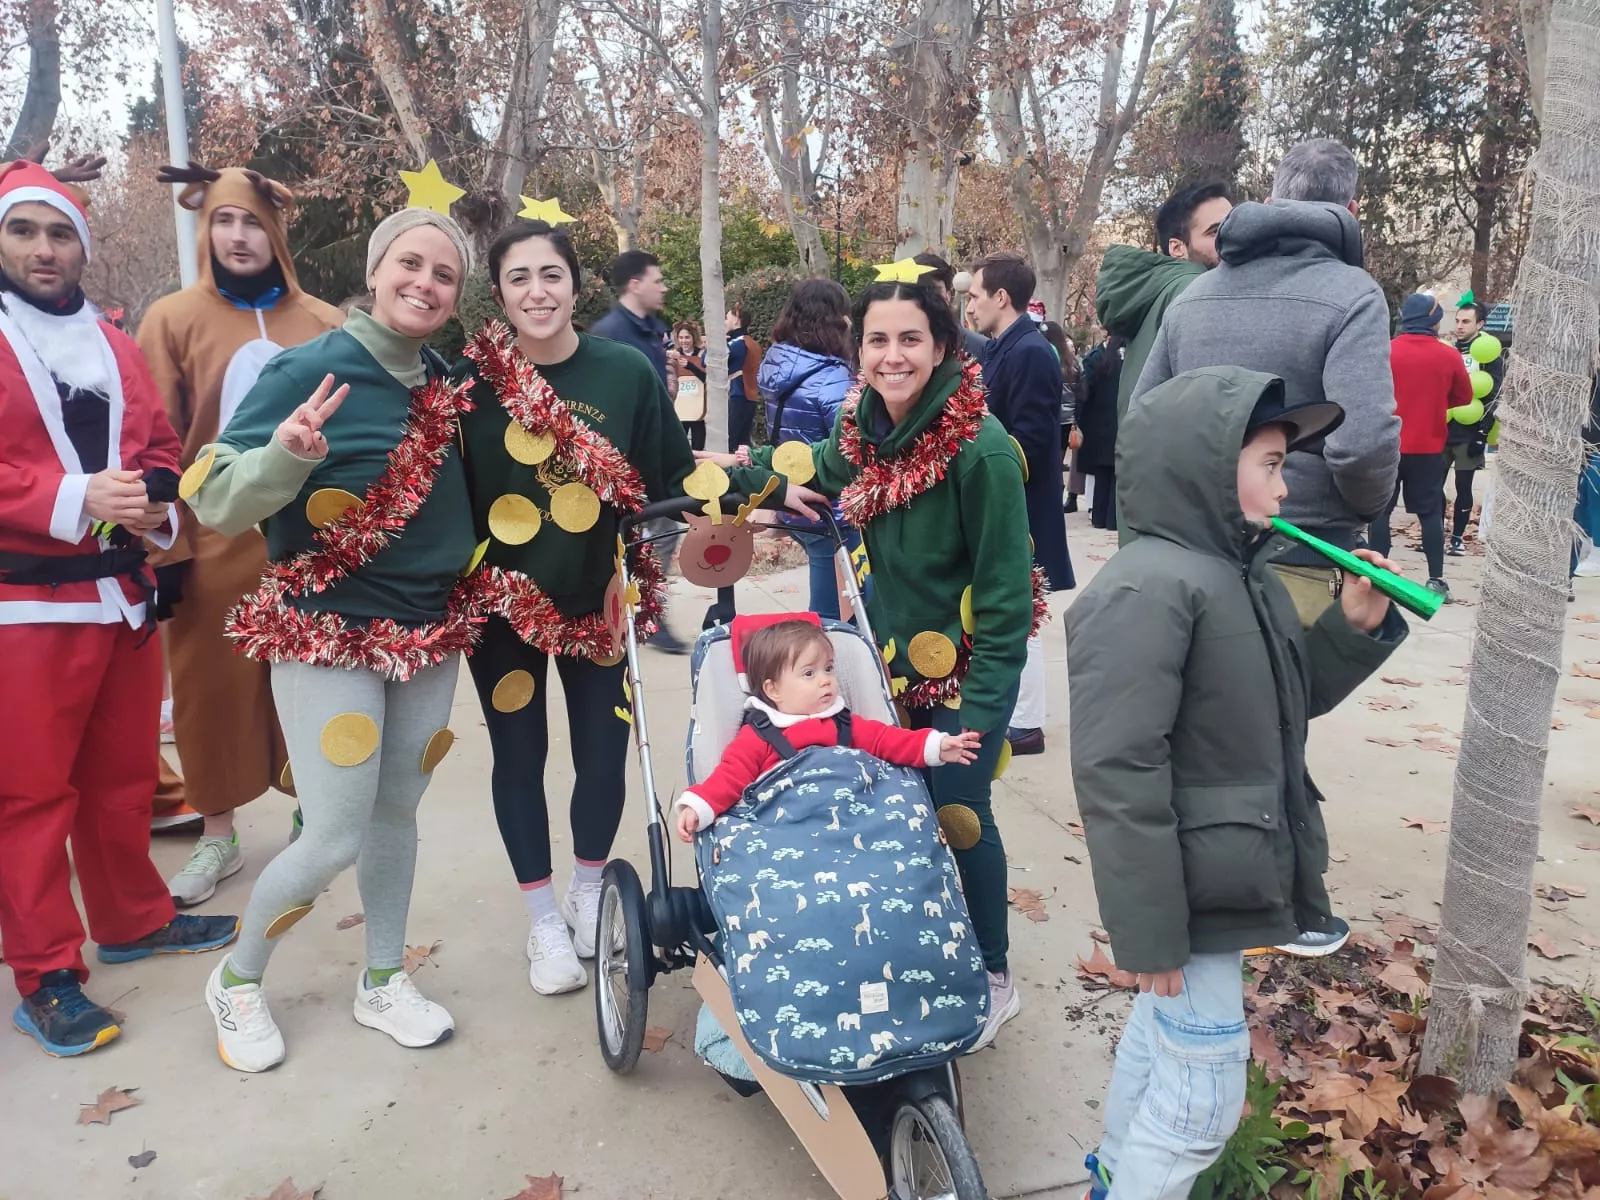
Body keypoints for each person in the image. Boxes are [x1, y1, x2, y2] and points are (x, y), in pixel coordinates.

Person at [1066, 366, 1408, 1200]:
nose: (1285, 489)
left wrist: (1351, 628)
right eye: (1270, 464)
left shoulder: (1240, 576)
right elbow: (1118, 764)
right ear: (1207, 465)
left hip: (1225, 870)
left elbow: (1280, 704)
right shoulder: (1149, 587)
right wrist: (1149, 928)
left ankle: (1114, 1173)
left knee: (1165, 1043)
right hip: (1188, 895)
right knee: (1200, 1105)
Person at [456, 219, 816, 996]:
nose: (537, 292)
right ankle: (543, 921)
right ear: (500, 294)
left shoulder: (622, 372)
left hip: (601, 601)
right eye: (519, 278)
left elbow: (674, 477)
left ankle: (588, 891)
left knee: (603, 752)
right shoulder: (471, 383)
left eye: (551, 274)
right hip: (500, 613)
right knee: (518, 757)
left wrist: (768, 488)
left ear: (575, 284)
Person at [712, 278, 1039, 1049]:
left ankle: (995, 973)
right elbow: (821, 471)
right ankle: (930, 937)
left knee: (960, 813)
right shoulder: (862, 424)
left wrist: (978, 721)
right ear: (857, 350)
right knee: (904, 812)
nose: (894, 356)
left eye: (911, 339)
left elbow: (1005, 603)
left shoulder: (981, 449)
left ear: (942, 346)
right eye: (878, 340)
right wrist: (734, 471)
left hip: (967, 672)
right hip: (891, 665)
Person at [185, 206, 476, 1072]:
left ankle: (382, 978)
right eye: (410, 263)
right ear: (376, 270)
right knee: (334, 833)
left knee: (396, 813)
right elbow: (216, 499)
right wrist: (285, 453)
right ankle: (237, 979)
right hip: (325, 633)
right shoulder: (305, 367)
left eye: (445, 275)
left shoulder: (447, 384)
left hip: (429, 634)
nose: (424, 284)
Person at [0, 153, 239, 1059]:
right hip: (24, 607)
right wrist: (74, 496)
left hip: (121, 597)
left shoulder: (112, 341)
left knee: (123, 779)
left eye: (60, 233)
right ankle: (45, 975)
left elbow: (160, 445)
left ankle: (133, 918)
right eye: (24, 231)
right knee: (29, 797)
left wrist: (155, 502)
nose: (44, 249)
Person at [137, 163, 344, 905]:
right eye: (223, 220)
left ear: (276, 232)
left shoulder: (323, 322)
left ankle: (313, 821)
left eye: (252, 221)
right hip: (212, 541)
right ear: (204, 230)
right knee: (209, 693)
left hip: (310, 543)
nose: (237, 235)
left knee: (317, 686)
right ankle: (217, 834)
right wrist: (165, 549)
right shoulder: (171, 321)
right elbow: (154, 441)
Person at [1132, 139, 1399, 630]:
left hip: (1198, 545)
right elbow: (1363, 443)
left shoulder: (1193, 297)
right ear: (1352, 211)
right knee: (1301, 674)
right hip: (1307, 544)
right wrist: (1358, 511)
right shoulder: (1354, 295)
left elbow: (1142, 422)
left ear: (1272, 203)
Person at [673, 619, 979, 839]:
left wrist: (937, 746)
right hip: (790, 828)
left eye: (829, 668)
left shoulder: (843, 723)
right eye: (809, 673)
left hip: (855, 818)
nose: (825, 680)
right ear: (773, 689)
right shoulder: (759, 736)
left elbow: (889, 740)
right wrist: (698, 807)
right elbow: (729, 777)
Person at [965, 253, 1073, 757]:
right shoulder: (1007, 346)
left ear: (1001, 297)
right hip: (1006, 504)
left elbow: (1029, 438)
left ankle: (1026, 723)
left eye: (974, 296)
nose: (970, 307)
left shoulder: (1029, 351)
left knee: (1019, 615)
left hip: (1021, 508)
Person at [590, 250, 691, 653]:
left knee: (662, 533)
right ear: (635, 285)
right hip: (625, 463)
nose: (663, 287)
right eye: (657, 280)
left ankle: (645, 610)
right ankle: (634, 612)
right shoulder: (610, 333)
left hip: (655, 455)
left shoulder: (651, 330)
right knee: (640, 537)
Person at [758, 278, 860, 620]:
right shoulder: (832, 377)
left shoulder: (778, 363)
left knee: (830, 594)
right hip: (832, 508)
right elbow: (850, 446)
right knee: (836, 612)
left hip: (794, 495)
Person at [1096, 182, 1232, 427]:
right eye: (1215, 232)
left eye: (1235, 225)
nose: (1233, 237)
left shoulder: (1159, 291)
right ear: (1177, 248)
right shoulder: (1196, 290)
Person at [1370, 293, 1471, 597]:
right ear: (1433, 321)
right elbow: (1464, 397)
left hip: (1387, 444)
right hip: (1428, 447)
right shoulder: (1448, 356)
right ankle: (1436, 579)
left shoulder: (1386, 351)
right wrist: (1435, 402)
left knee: (1381, 512)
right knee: (1430, 514)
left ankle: (1378, 576)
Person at [1446, 299, 1504, 555]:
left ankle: (1457, 538)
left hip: (1470, 432)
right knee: (1432, 484)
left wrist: (1483, 432)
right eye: (1457, 320)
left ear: (1480, 324)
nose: (1460, 326)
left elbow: (1493, 395)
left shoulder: (1488, 354)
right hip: (1443, 427)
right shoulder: (1449, 350)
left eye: (1466, 322)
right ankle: (1433, 533)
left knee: (1463, 485)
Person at [1076, 336, 1126, 531]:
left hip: (1098, 426)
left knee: (1101, 475)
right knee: (1116, 475)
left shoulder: (1096, 360)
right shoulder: (1126, 361)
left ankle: (1098, 517)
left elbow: (1084, 391)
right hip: (1120, 422)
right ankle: (1113, 520)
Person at [912, 251, 988, 360]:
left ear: (947, 296)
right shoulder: (894, 347)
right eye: (917, 290)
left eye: (933, 291)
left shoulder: (979, 348)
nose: (926, 298)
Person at [725, 301, 762, 450]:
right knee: (743, 443)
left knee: (731, 442)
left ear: (736, 320)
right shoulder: (753, 343)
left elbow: (707, 360)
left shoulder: (737, 343)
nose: (725, 322)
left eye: (727, 318)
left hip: (737, 394)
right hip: (750, 395)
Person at [668, 319, 707, 449]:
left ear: (693, 337)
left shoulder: (702, 355)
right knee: (679, 445)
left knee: (698, 446)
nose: (684, 341)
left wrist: (690, 366)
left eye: (687, 337)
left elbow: (707, 379)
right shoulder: (673, 356)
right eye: (681, 338)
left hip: (697, 407)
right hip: (680, 407)